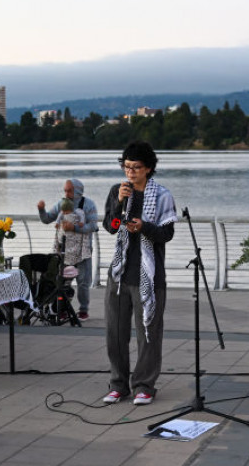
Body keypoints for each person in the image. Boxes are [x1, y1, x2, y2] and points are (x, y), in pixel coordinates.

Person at [101, 142, 176, 405]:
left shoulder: (163, 195)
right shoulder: (117, 191)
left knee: (148, 333)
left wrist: (144, 227)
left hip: (149, 275)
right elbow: (110, 227)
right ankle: (118, 384)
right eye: (127, 167)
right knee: (116, 332)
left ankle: (144, 385)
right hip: (120, 274)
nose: (130, 173)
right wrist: (119, 202)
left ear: (149, 168)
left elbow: (166, 234)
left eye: (136, 168)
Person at [38, 178, 98, 320]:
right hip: (63, 250)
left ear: (78, 190)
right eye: (65, 190)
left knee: (83, 282)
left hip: (82, 250)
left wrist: (75, 228)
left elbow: (93, 226)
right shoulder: (61, 203)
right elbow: (47, 219)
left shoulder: (89, 205)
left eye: (69, 190)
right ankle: (62, 308)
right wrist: (41, 210)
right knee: (63, 281)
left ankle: (83, 309)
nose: (66, 193)